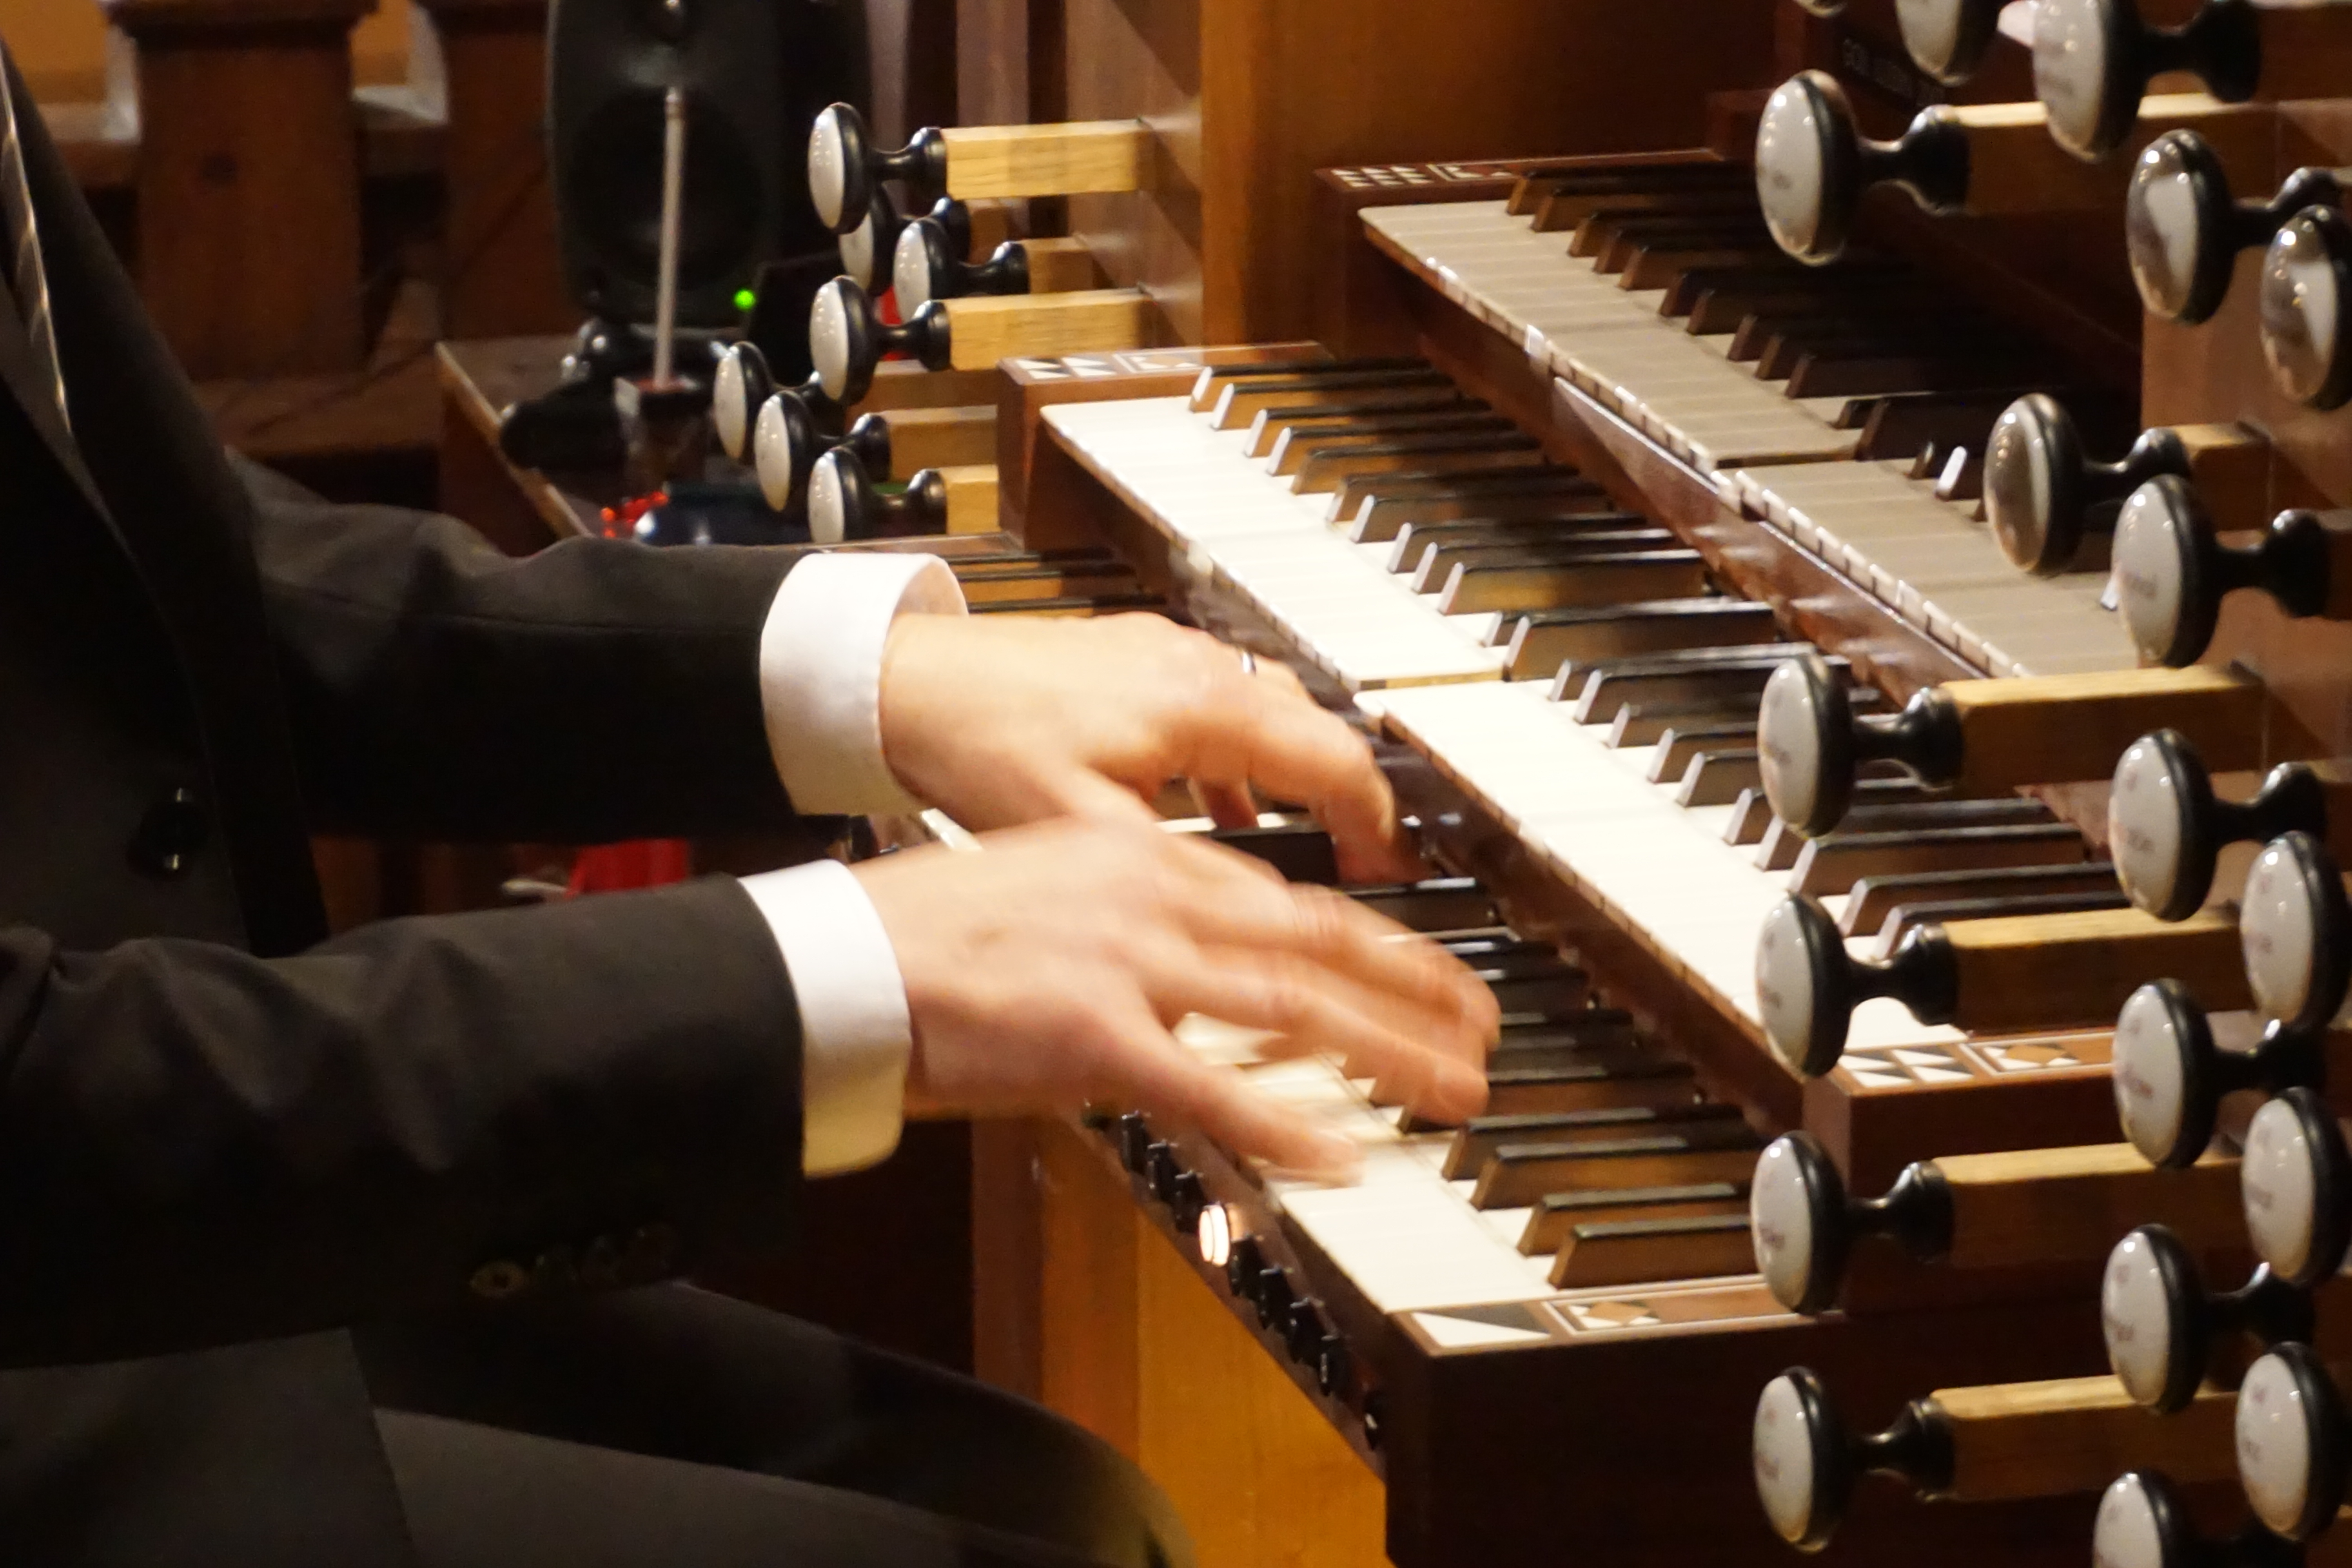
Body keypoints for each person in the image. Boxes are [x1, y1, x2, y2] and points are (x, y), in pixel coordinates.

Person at [0, 42, 1497, 1568]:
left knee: (1058, 1505)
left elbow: (158, 573)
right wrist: (836, 970)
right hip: (69, 1290)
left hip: (142, 1245)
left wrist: (860, 681)